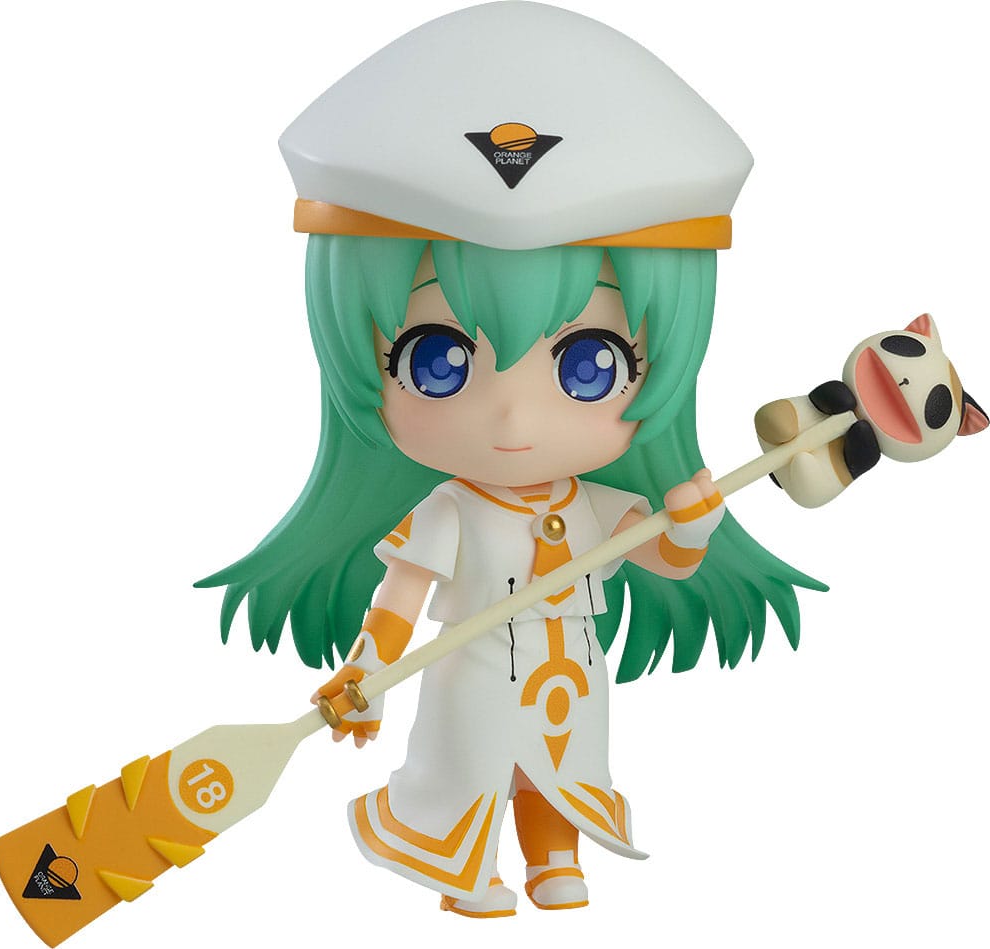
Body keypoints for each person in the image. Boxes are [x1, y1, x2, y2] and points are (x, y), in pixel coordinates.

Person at [197, 2, 822, 917]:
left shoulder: (597, 500)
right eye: (438, 361)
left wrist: (690, 528)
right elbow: (401, 595)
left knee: (562, 766)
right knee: (473, 764)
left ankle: (554, 855)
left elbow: (659, 552)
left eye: (588, 364)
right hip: (477, 673)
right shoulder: (451, 510)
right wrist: (366, 669)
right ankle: (471, 868)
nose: (514, 416)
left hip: (573, 669)